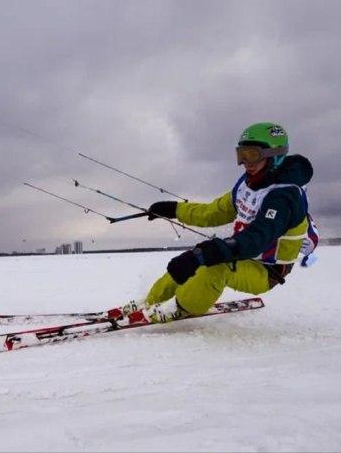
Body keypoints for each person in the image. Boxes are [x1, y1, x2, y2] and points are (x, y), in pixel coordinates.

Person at [116, 122, 318, 324]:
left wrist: (205, 253)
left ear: (275, 155)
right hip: (243, 256)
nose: (246, 162)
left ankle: (180, 307)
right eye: (242, 154)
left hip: (266, 270)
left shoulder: (285, 196)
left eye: (253, 154)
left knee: (215, 267)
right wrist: (173, 209)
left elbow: (257, 239)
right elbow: (213, 212)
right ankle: (150, 301)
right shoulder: (247, 184)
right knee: (193, 260)